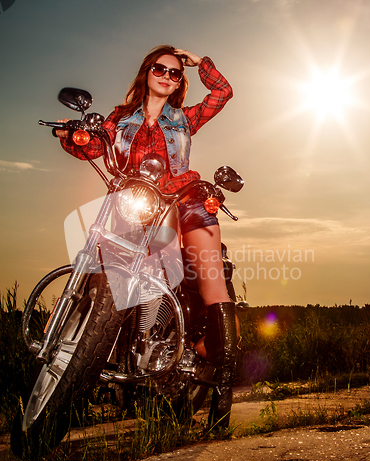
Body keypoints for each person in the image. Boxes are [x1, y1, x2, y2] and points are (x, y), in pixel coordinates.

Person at [55, 45, 236, 430]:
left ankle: (223, 387)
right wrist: (72, 135)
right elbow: (92, 145)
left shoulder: (184, 119)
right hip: (132, 203)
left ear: (178, 82)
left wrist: (198, 62)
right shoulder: (119, 119)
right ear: (146, 71)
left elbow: (222, 93)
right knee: (101, 261)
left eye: (174, 73)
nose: (167, 76)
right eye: (160, 69)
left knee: (211, 279)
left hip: (182, 199)